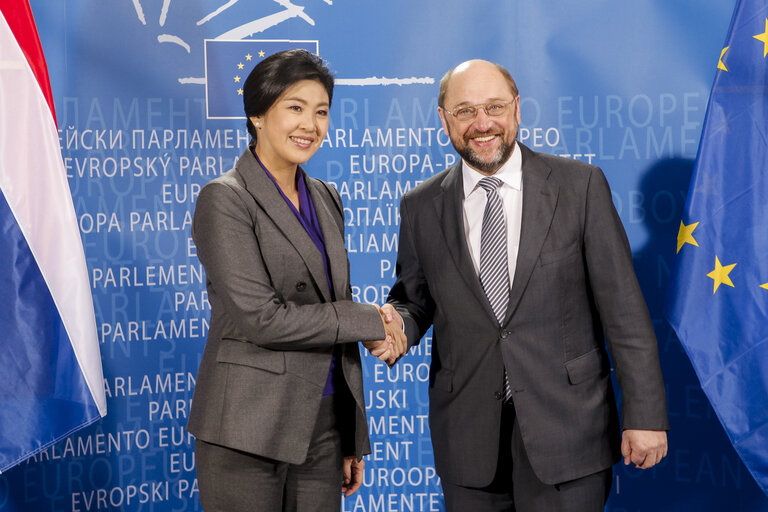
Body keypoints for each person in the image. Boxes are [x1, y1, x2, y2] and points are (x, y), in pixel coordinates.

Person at [380, 59, 669, 511]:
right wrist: (395, 326)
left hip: (570, 435)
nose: (482, 124)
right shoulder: (420, 206)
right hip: (469, 442)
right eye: (465, 111)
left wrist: (645, 417)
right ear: (444, 120)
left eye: (494, 107)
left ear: (517, 109)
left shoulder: (580, 187)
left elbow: (625, 313)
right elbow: (414, 301)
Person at [187, 49, 404, 512]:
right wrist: (371, 319)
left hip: (321, 427)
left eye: (321, 111)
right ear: (258, 115)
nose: (310, 124)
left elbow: (334, 313)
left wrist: (350, 434)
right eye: (295, 107)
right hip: (246, 428)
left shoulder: (326, 197)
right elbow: (263, 320)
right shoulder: (224, 199)